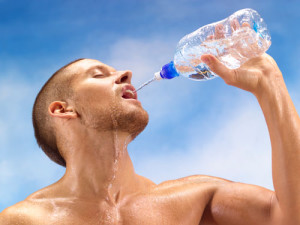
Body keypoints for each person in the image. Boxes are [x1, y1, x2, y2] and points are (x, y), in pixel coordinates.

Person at [1, 29, 299, 225]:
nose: (126, 73)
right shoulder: (25, 219)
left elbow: (290, 216)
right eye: (98, 74)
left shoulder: (196, 198)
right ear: (62, 110)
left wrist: (269, 85)